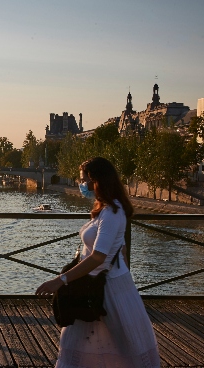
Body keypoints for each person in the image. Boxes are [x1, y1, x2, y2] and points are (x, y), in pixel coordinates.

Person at [36, 157, 160, 367]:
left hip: (108, 287)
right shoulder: (104, 208)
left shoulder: (112, 212)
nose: (80, 183)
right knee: (99, 344)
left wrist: (61, 280)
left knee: (119, 345)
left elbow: (99, 256)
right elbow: (121, 247)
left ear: (97, 181)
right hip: (97, 285)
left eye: (84, 179)